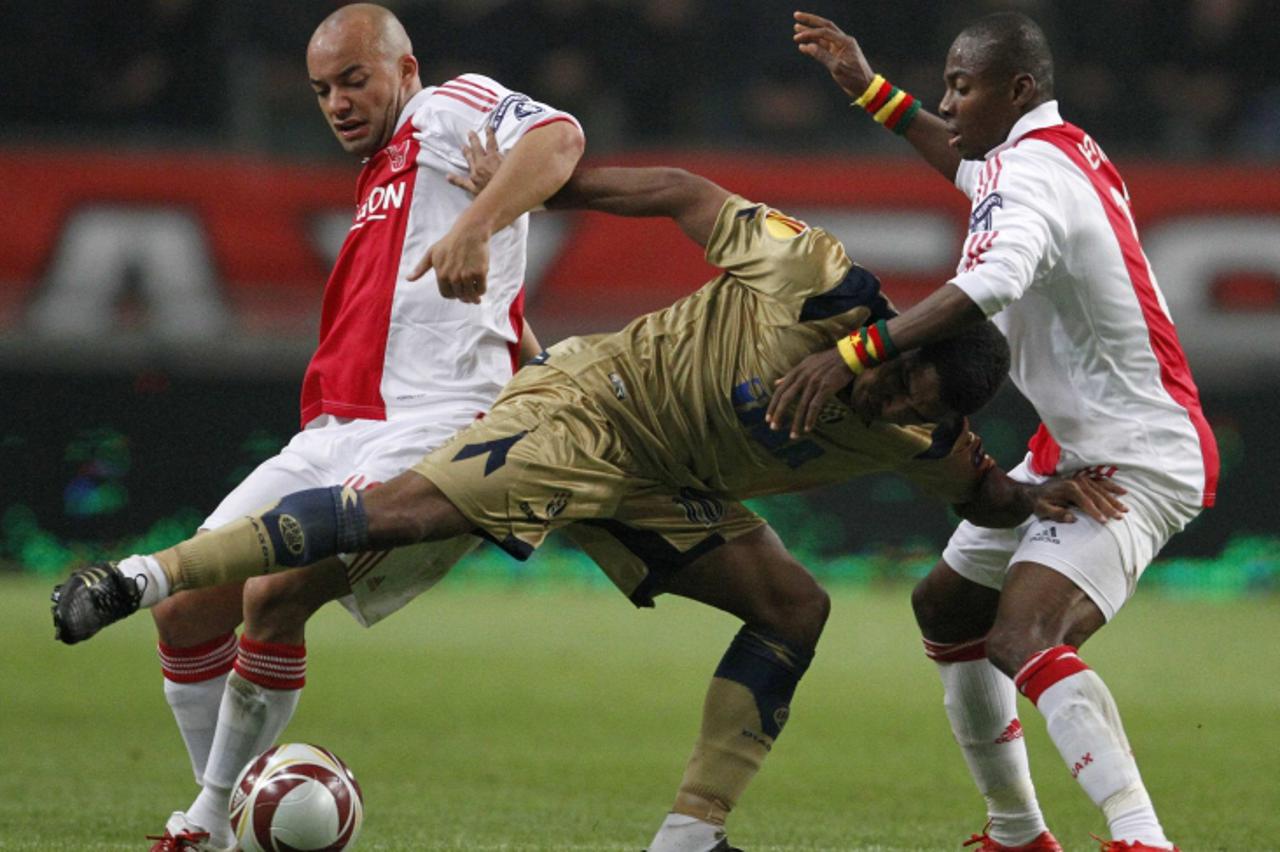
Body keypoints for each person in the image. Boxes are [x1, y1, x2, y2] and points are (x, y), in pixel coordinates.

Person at [53, 157, 1128, 852]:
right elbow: (682, 193)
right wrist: (534, 196)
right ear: (897, 334)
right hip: (589, 407)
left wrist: (1044, 492)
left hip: (662, 487)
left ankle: (688, 838)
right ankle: (140, 577)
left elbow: (981, 491)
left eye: (912, 402)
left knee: (795, 608)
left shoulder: (916, 431)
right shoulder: (816, 281)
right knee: (398, 518)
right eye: (897, 373)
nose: (888, 397)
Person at [50, 4, 584, 850]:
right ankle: (223, 820)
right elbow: (475, 295)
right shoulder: (386, 173)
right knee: (189, 607)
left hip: (436, 434)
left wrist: (482, 226)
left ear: (405, 70)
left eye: (354, 78)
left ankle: (205, 818)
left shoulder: (446, 108)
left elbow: (560, 140)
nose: (335, 101)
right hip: (336, 429)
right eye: (321, 89)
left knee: (273, 591)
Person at [774, 11, 1219, 852]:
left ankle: (1141, 838)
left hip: (1138, 455)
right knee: (946, 606)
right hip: (1080, 442)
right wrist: (870, 90)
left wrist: (856, 351)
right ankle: (1017, 834)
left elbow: (993, 280)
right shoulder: (1054, 152)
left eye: (962, 87)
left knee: (1023, 635)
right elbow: (970, 168)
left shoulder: (1028, 176)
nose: (948, 101)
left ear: (1018, 89)